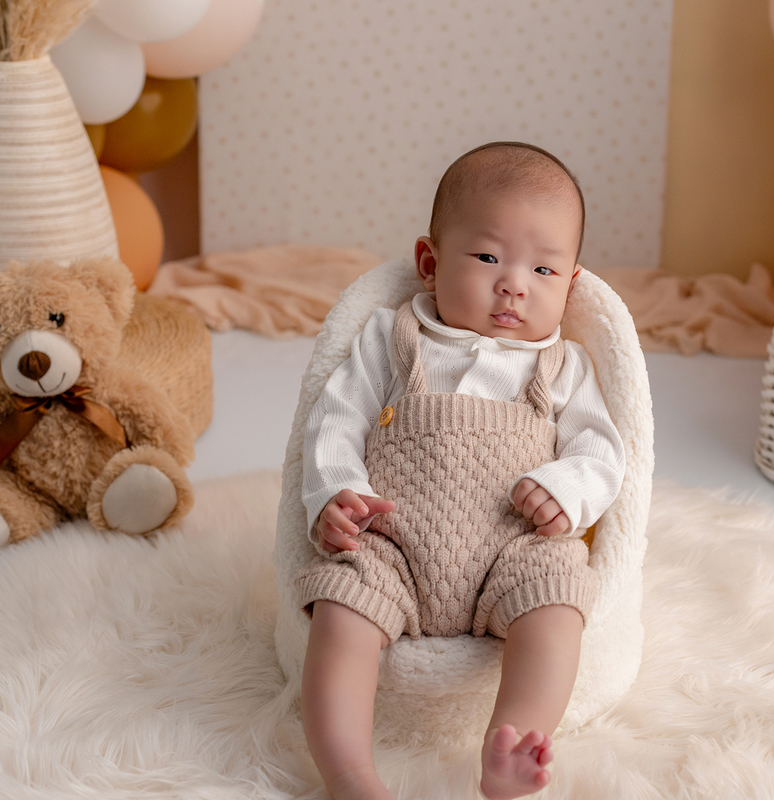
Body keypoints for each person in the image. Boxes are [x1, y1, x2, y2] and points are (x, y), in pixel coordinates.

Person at [296, 142, 626, 800]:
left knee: (559, 604)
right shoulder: (392, 338)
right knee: (339, 610)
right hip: (392, 543)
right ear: (430, 262)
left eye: (543, 269)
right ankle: (348, 774)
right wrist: (337, 493)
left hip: (514, 548)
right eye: (488, 258)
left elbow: (602, 453)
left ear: (570, 285)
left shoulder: (562, 366)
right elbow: (335, 420)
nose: (514, 285)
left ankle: (510, 750)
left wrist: (565, 490)